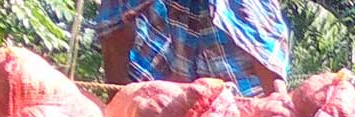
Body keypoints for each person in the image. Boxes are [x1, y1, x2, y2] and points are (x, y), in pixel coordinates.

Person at [97, 0, 290, 96]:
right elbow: (114, 26)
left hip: (243, 106)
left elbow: (262, 37)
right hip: (159, 104)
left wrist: (278, 111)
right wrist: (116, 110)